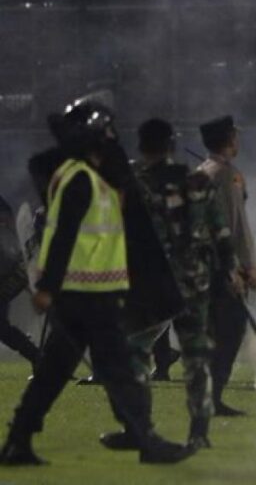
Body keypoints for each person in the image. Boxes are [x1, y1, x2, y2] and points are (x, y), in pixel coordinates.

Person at [0, 100, 193, 465]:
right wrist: (48, 287)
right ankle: (146, 440)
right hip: (86, 297)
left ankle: (17, 442)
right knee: (118, 371)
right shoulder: (80, 179)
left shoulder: (87, 176)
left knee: (53, 375)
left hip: (87, 295)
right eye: (106, 132)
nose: (112, 138)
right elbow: (64, 236)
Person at [100, 118, 239, 451]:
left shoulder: (135, 183)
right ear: (171, 145)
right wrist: (228, 271)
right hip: (194, 282)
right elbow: (220, 232)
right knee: (196, 357)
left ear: (142, 145)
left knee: (136, 352)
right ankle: (199, 431)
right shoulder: (196, 182)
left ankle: (138, 427)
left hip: (152, 283)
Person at [198, 115, 256, 417]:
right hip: (224, 267)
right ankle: (213, 397)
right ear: (228, 139)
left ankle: (207, 396)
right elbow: (235, 227)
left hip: (204, 265)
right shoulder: (227, 176)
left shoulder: (204, 172)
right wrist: (245, 267)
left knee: (214, 333)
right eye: (235, 136)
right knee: (231, 331)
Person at [0, 194, 39, 365]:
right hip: (11, 271)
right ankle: (38, 357)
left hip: (8, 274)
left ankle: (38, 357)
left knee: (1, 328)